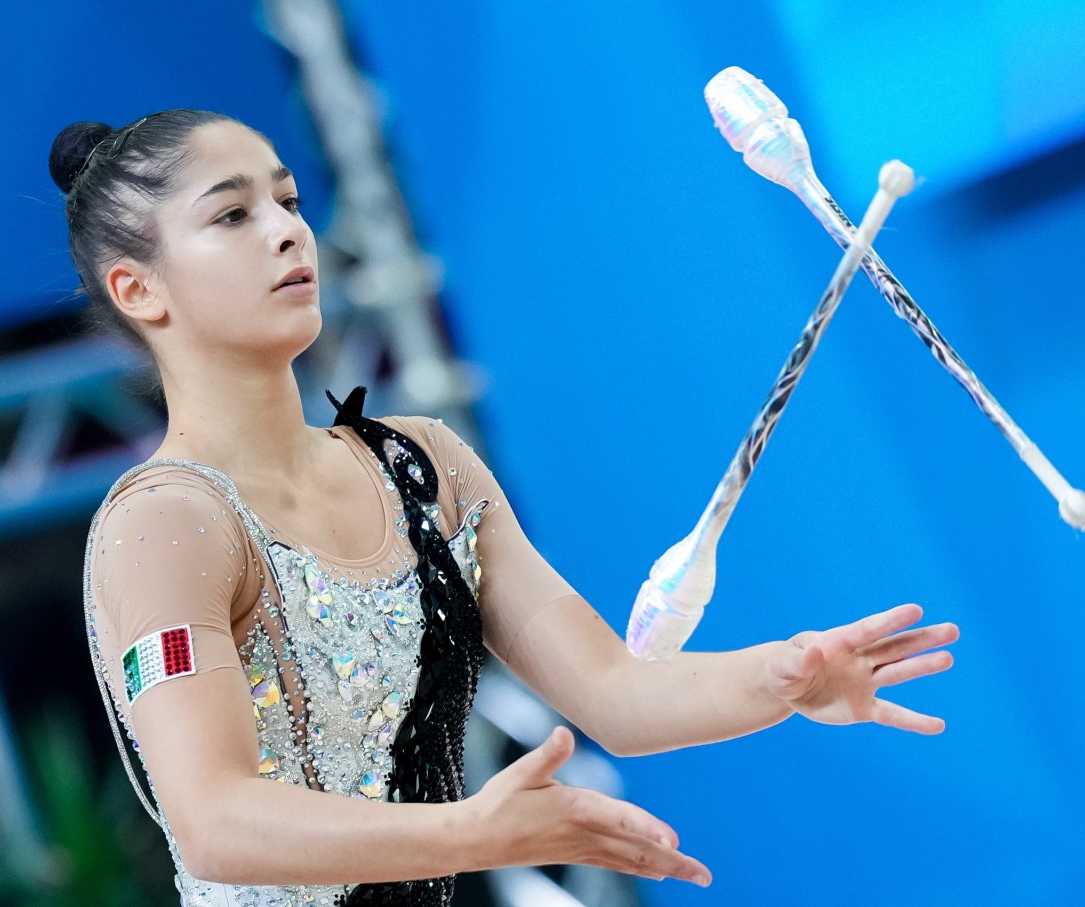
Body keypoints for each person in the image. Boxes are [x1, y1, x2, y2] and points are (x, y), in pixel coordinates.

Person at [66, 109, 961, 906]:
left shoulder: (423, 465)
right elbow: (214, 820)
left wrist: (783, 677)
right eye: (233, 215)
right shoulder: (164, 523)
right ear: (137, 288)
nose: (287, 231)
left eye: (290, 201)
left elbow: (614, 693)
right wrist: (472, 831)